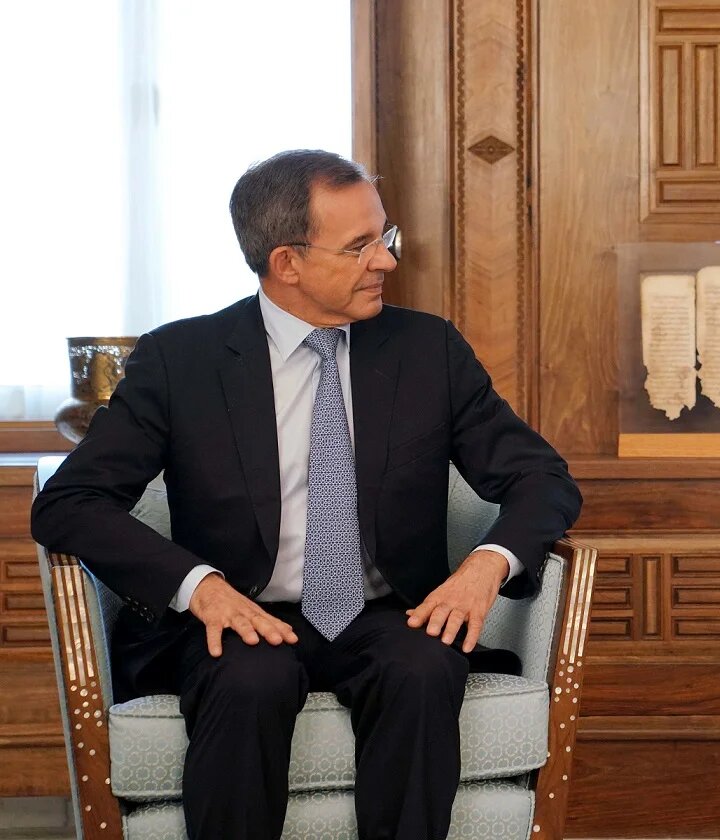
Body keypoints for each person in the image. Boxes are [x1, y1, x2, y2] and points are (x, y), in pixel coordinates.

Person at [31, 149, 582, 840]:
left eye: (385, 236)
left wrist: (486, 565)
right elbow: (70, 501)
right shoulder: (182, 360)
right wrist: (198, 587)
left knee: (422, 667)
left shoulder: (426, 350)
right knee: (248, 679)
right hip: (240, 611)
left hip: (388, 612)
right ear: (286, 262)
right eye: (359, 246)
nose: (386, 261)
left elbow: (541, 478)